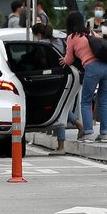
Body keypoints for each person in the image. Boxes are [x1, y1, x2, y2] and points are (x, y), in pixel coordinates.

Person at [60, 11, 107, 143]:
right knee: (103, 100)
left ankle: (88, 133)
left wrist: (63, 60)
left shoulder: (72, 37)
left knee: (86, 101)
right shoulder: (92, 33)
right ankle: (104, 134)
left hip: (92, 68)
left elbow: (69, 59)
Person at [32, 23, 84, 155]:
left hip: (53, 79)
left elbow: (40, 64)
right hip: (69, 76)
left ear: (38, 34)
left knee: (59, 110)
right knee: (62, 107)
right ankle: (78, 124)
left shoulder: (42, 45)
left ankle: (61, 146)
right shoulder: (59, 41)